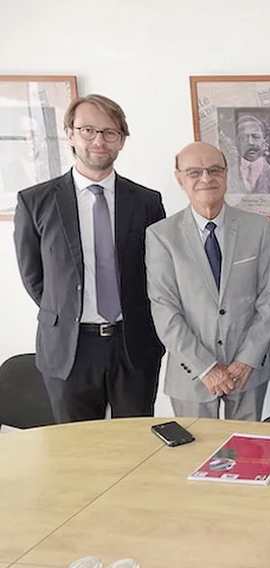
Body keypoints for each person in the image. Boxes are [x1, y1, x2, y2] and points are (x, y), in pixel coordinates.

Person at [13, 94, 166, 423]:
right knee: (76, 446)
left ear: (121, 140)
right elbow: (33, 276)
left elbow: (158, 273)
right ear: (70, 134)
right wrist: (67, 311)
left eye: (110, 132)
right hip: (69, 348)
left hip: (133, 344)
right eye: (88, 130)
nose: (99, 141)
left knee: (135, 443)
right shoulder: (35, 202)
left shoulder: (147, 202)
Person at [146, 141, 270, 421]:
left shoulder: (258, 228)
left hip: (247, 371)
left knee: (247, 445)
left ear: (226, 174)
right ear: (179, 178)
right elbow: (164, 310)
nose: (206, 178)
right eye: (194, 172)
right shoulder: (161, 236)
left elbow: (269, 300)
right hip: (192, 374)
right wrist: (206, 368)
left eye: (215, 170)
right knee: (196, 447)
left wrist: (246, 359)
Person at [231, 115, 270, 195]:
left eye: (255, 137)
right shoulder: (227, 176)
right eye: (243, 137)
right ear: (236, 143)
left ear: (265, 142)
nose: (250, 142)